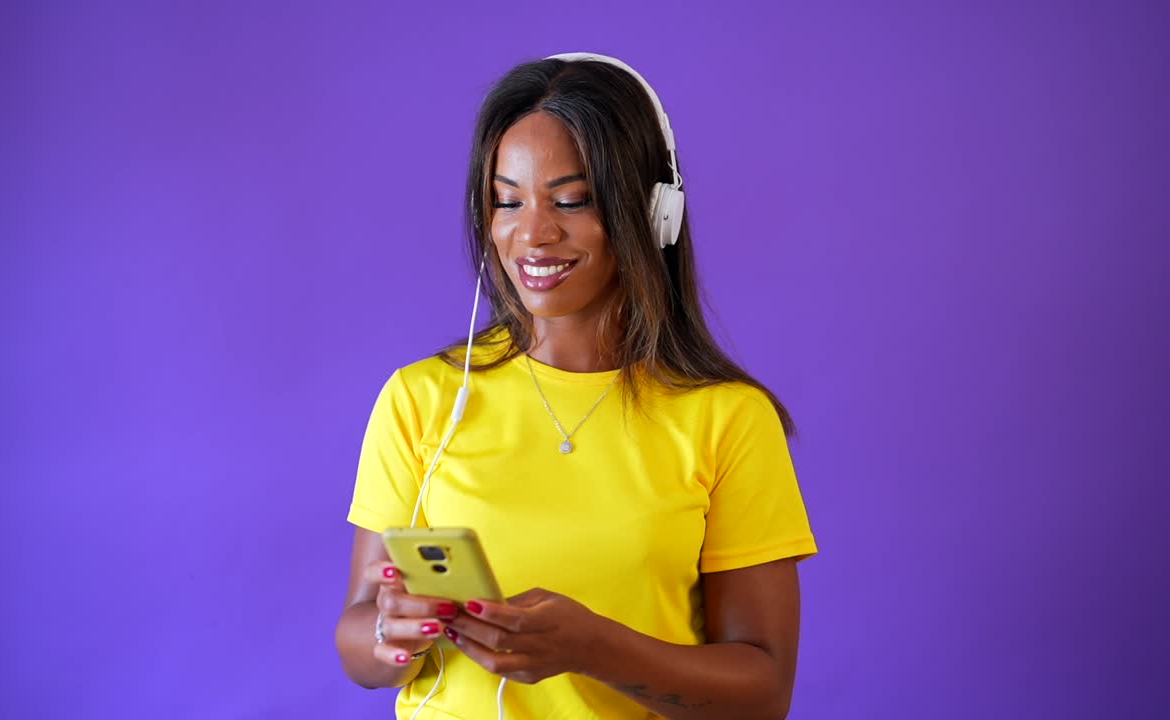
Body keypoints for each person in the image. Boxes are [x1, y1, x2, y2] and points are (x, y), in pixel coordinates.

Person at [334, 52, 818, 720]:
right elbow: (357, 636)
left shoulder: (729, 419)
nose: (532, 233)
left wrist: (594, 647)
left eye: (570, 200)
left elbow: (763, 694)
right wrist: (393, 631)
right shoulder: (423, 400)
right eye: (507, 201)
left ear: (655, 212)